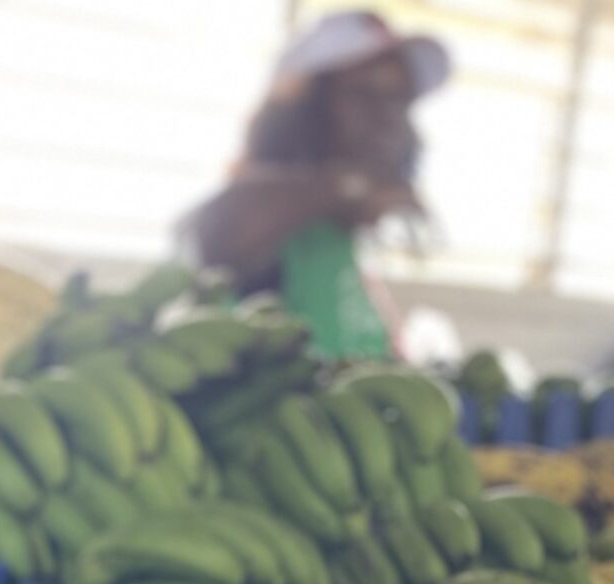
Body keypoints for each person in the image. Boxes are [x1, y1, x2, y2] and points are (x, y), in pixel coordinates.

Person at [182, 10, 450, 358]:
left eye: (399, 99)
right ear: (304, 104)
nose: (388, 117)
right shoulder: (256, 210)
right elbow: (217, 235)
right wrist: (352, 185)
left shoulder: (341, 234)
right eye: (363, 94)